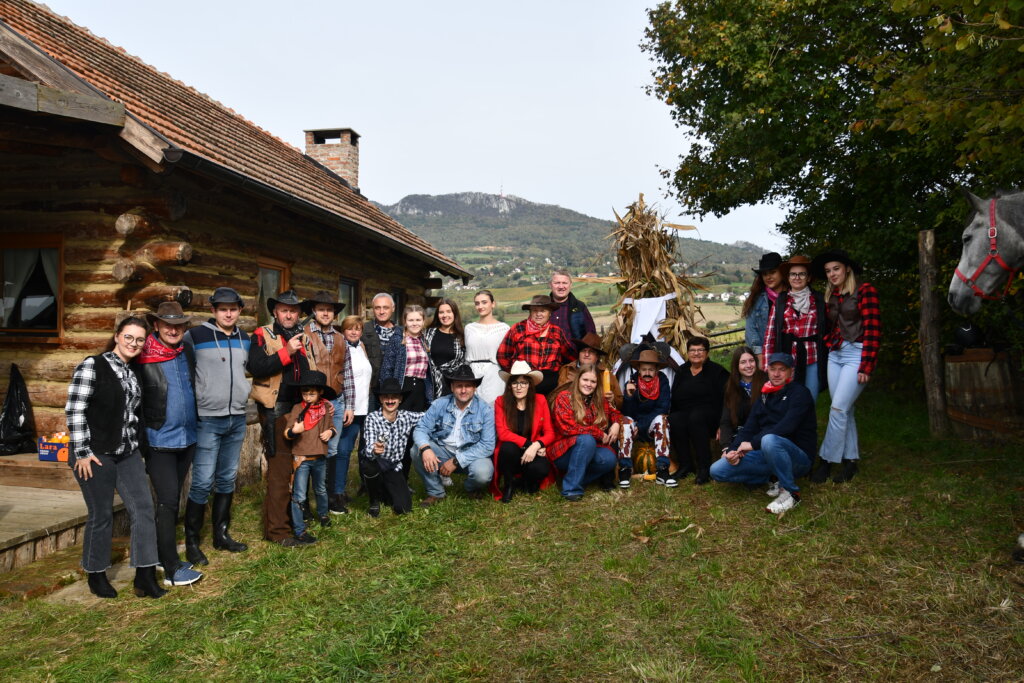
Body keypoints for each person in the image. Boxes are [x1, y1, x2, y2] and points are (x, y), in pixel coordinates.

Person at [65, 315, 165, 599]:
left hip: (126, 452)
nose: (134, 343)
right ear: (117, 335)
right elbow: (75, 410)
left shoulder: (132, 372)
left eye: (140, 339)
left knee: (144, 509)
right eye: (129, 337)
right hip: (93, 453)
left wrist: (137, 448)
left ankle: (145, 574)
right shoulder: (92, 365)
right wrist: (82, 452)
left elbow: (131, 416)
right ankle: (95, 573)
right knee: (102, 513)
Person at [183, 287, 250, 565]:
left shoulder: (244, 338)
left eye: (233, 308)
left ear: (239, 311)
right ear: (213, 310)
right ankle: (192, 542)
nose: (228, 313)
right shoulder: (194, 336)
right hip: (208, 418)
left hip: (237, 417)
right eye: (223, 308)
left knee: (226, 478)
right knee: (201, 482)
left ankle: (221, 535)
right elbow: (185, 375)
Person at [139, 302, 202, 587]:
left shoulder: (185, 350)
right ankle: (171, 568)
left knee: (173, 500)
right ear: (156, 325)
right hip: (159, 440)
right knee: (166, 503)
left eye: (178, 325)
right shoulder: (141, 355)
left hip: (187, 437)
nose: (173, 330)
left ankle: (164, 556)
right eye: (167, 324)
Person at [710, 353, 818, 514]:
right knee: (717, 470)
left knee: (770, 440)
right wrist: (732, 449)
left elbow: (786, 427)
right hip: (768, 453)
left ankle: (790, 492)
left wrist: (753, 444)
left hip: (798, 457)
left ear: (791, 372)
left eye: (782, 370)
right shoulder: (765, 394)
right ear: (767, 370)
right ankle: (773, 478)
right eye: (773, 369)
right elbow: (749, 427)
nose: (776, 374)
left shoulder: (800, 393)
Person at [248, 289, 315, 546]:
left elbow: (310, 374)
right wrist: (286, 350)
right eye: (284, 310)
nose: (289, 314)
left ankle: (296, 525)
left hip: (300, 412)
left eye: (294, 310)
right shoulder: (261, 335)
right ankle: (278, 532)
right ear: (275, 312)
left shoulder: (304, 338)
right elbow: (257, 367)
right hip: (276, 412)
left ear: (299, 314)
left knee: (298, 471)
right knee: (279, 473)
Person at [810, 249, 881, 484]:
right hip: (836, 355)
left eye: (836, 269)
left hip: (856, 355)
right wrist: (828, 344)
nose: (832, 274)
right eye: (828, 271)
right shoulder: (832, 295)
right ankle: (851, 461)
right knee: (845, 409)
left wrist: (866, 365)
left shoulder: (865, 290)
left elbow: (873, 329)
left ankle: (826, 461)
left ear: (847, 268)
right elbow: (830, 326)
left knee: (838, 409)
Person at [413, 364, 496, 507]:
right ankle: (436, 492)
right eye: (459, 386)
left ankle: (471, 488)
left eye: (468, 386)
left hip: (471, 455)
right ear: (452, 387)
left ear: (474, 388)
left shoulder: (485, 410)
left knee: (483, 473)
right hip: (443, 451)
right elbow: (421, 428)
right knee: (416, 450)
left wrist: (457, 461)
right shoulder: (440, 404)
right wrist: (426, 449)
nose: (463, 390)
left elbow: (487, 445)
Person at [300, 291, 349, 514]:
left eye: (329, 310)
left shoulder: (341, 338)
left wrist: (348, 404)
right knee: (312, 449)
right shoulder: (305, 335)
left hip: (336, 402)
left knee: (332, 450)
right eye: (321, 309)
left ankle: (328, 497)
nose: (325, 313)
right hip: (314, 402)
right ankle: (306, 500)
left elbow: (345, 373)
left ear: (335, 314)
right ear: (314, 311)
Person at [547, 365, 622, 501]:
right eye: (585, 380)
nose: (588, 384)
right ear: (578, 380)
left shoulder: (598, 399)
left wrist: (616, 423)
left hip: (587, 450)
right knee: (587, 440)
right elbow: (567, 428)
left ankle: (573, 478)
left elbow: (614, 412)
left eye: (592, 381)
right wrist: (598, 433)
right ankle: (571, 490)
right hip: (563, 451)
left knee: (609, 459)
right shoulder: (564, 397)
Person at [281, 370, 337, 545]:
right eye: (305, 392)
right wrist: (293, 431)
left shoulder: (326, 408)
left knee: (320, 489)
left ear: (320, 392)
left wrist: (330, 432)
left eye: (311, 393)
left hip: (319, 457)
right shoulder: (297, 408)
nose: (307, 396)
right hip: (302, 458)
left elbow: (332, 427)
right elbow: (287, 433)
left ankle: (323, 514)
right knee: (299, 495)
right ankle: (299, 529)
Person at [763, 255, 827, 403]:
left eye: (802, 274)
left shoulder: (819, 300)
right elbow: (769, 335)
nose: (797, 277)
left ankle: (807, 426)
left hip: (812, 358)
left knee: (809, 400)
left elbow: (827, 330)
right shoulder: (781, 301)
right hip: (787, 360)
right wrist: (768, 364)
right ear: (788, 277)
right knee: (787, 401)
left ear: (808, 277)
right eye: (793, 274)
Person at [490, 361, 555, 502]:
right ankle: (509, 485)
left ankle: (525, 481)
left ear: (530, 385)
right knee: (507, 447)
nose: (519, 387)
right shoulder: (501, 401)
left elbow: (550, 432)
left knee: (541, 469)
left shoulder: (540, 400)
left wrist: (538, 445)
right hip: (511, 453)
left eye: (524, 383)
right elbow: (503, 433)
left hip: (532, 452)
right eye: (515, 383)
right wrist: (530, 445)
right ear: (510, 385)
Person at [668, 336, 729, 486]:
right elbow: (675, 397)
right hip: (686, 413)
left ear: (707, 352)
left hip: (710, 415)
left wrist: (724, 424)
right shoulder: (682, 371)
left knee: (697, 417)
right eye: (692, 350)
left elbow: (728, 400)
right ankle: (686, 465)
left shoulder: (717, 372)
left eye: (700, 350)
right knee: (675, 419)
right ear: (687, 353)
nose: (696, 353)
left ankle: (704, 468)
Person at [360, 378, 421, 517]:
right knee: (369, 464)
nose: (390, 400)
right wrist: (374, 449)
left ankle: (385, 492)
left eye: (394, 397)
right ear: (381, 399)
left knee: (404, 508)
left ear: (400, 399)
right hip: (377, 463)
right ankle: (374, 501)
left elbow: (429, 415)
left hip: (394, 467)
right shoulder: (372, 418)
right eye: (386, 397)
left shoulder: (407, 417)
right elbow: (368, 446)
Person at [331, 314, 372, 513]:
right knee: (343, 452)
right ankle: (337, 492)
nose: (354, 332)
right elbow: (342, 380)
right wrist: (347, 405)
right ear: (343, 331)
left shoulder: (361, 347)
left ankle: (366, 487)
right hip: (350, 409)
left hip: (365, 408)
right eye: (350, 328)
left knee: (363, 452)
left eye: (357, 328)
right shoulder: (341, 348)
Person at [496, 294, 572, 395]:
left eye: (543, 311)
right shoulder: (518, 329)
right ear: (530, 312)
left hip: (551, 386)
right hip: (524, 384)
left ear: (550, 313)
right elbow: (502, 355)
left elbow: (569, 355)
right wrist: (516, 373)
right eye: (535, 310)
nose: (538, 314)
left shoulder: (557, 331)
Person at [620, 349, 672, 489]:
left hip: (650, 424)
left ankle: (662, 468)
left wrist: (641, 425)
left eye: (650, 369)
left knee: (662, 419)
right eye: (644, 369)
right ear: (639, 369)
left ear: (656, 370)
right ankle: (625, 469)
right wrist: (629, 396)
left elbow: (663, 407)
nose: (647, 373)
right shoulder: (631, 382)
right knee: (625, 421)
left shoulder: (662, 381)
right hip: (635, 423)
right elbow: (627, 412)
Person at [380, 304, 433, 412]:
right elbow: (387, 368)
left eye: (418, 320)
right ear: (405, 321)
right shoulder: (397, 340)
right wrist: (389, 393)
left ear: (423, 321)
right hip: (402, 387)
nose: (414, 323)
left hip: (420, 389)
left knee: (419, 425)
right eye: (411, 320)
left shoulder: (424, 341)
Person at [464, 289, 510, 405]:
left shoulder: (504, 328)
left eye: (484, 302)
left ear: (493, 304)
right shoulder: (469, 328)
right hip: (472, 373)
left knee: (492, 409)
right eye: (477, 303)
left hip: (494, 373)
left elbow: (508, 355)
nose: (480, 306)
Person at [556, 332, 623, 410]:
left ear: (597, 356)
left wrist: (612, 400)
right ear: (579, 353)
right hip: (569, 412)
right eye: (583, 351)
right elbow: (557, 395)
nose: (586, 354)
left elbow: (620, 403)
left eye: (591, 352)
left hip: (598, 415)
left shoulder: (607, 374)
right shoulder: (566, 369)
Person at [718, 346, 767, 451]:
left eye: (751, 361)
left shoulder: (766, 381)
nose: (748, 365)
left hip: (763, 436)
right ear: (737, 366)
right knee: (716, 468)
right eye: (743, 362)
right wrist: (726, 447)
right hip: (740, 437)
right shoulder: (731, 387)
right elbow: (726, 421)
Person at [360, 293, 398, 411]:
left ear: (393, 308)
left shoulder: (401, 332)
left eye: (385, 307)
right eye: (377, 308)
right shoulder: (363, 330)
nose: (381, 311)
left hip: (394, 391)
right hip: (370, 390)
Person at [742, 252, 785, 356]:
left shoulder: (792, 296)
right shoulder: (756, 299)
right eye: (765, 274)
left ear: (782, 272)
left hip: (790, 354)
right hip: (766, 355)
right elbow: (751, 329)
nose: (768, 277)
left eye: (773, 272)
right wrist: (759, 355)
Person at [423, 298, 465, 398]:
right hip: (430, 385)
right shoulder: (429, 333)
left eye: (448, 311)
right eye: (441, 312)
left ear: (455, 313)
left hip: (453, 386)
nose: (445, 315)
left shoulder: (462, 336)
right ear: (437, 315)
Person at [549, 269, 596, 352]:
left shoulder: (580, 307)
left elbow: (591, 335)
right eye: (557, 283)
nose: (561, 287)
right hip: (548, 360)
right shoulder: (543, 308)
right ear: (550, 285)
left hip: (574, 360)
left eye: (564, 283)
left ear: (570, 285)